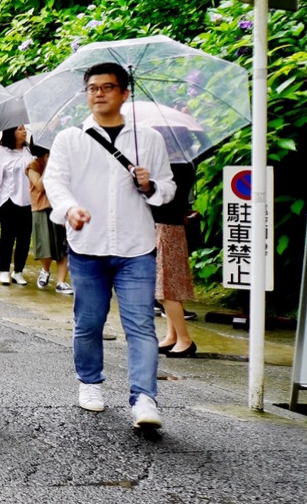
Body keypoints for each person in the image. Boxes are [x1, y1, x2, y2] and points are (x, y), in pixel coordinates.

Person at [42, 62, 176, 429]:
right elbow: (56, 182)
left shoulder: (147, 139)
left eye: (107, 87)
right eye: (92, 88)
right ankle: (89, 382)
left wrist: (149, 186)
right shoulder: (71, 138)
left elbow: (167, 190)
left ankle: (145, 398)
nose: (99, 93)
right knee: (89, 321)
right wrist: (70, 209)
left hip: (136, 247)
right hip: (88, 245)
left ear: (124, 93)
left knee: (141, 326)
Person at [155, 161, 199, 357]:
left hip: (167, 227)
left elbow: (162, 196)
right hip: (169, 226)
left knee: (166, 289)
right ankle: (173, 335)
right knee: (169, 286)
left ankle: (184, 339)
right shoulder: (184, 164)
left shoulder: (174, 167)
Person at [0, 126, 34, 285]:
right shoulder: (1, 153)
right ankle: (3, 271)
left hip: (26, 200)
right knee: (7, 237)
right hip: (7, 200)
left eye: (24, 129)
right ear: (11, 132)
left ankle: (18, 271)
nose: (24, 131)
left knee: (25, 238)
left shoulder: (28, 152)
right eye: (20, 129)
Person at [27, 145, 71, 293]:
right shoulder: (33, 165)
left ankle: (61, 282)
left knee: (62, 246)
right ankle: (45, 271)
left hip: (59, 206)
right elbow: (40, 186)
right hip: (40, 208)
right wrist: (49, 166)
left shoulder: (60, 163)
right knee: (44, 245)